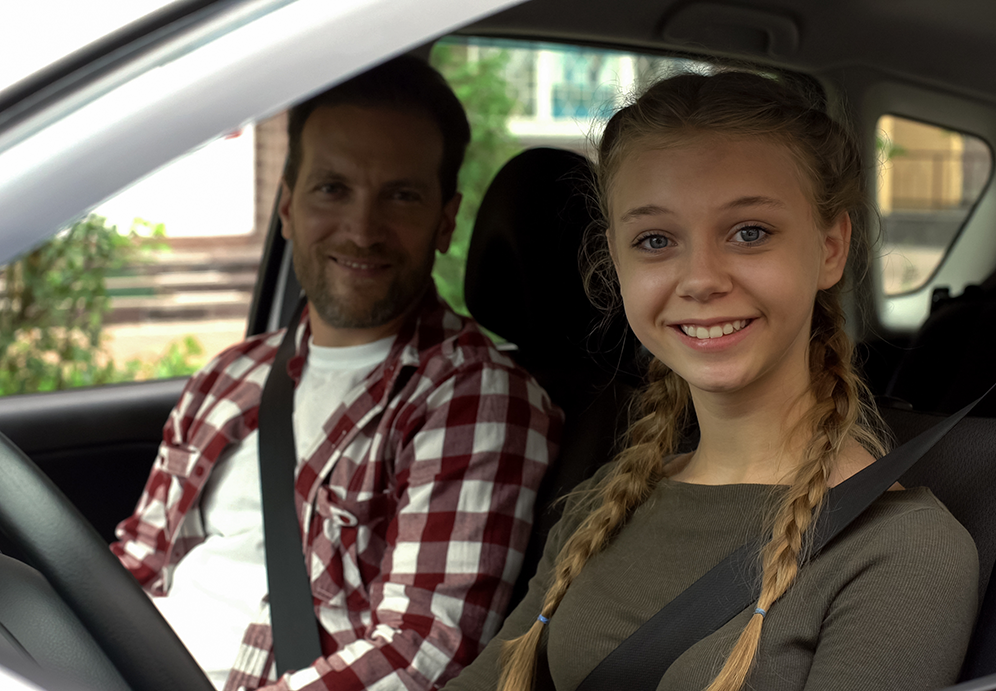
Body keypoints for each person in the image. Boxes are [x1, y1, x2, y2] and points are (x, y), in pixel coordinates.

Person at [441, 71, 978, 691]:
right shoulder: (604, 504)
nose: (700, 278)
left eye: (750, 232)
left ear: (831, 247)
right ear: (615, 261)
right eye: (655, 240)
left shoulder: (903, 550)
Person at [111, 55, 562, 691]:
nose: (362, 229)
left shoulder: (474, 398)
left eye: (400, 195)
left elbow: (421, 653)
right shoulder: (231, 374)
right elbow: (137, 564)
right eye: (333, 189)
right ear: (289, 208)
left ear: (445, 221)